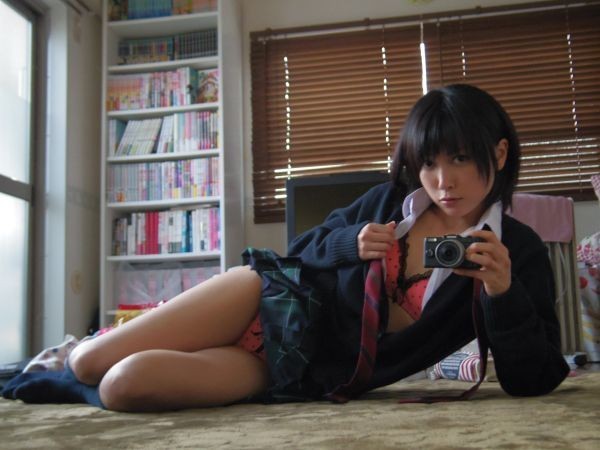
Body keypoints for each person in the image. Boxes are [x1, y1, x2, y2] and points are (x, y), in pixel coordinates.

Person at [2, 84, 569, 412]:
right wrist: (350, 243)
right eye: (429, 163)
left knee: (123, 387)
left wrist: (503, 292)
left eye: (461, 159)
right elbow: (302, 249)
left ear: (498, 155)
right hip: (262, 296)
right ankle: (77, 353)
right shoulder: (388, 201)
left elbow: (535, 377)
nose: (443, 180)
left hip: (293, 367)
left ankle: (94, 357)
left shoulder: (516, 251)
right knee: (87, 363)